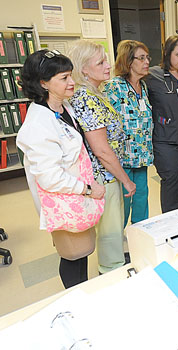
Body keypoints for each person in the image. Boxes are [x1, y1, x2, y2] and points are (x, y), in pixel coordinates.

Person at [16, 49, 105, 288]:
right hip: (65, 199)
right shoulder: (38, 124)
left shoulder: (64, 109)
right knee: (72, 254)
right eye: (64, 78)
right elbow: (49, 178)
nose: (72, 82)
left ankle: (82, 293)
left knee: (83, 252)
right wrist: (87, 189)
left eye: (70, 75)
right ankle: (74, 300)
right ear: (43, 83)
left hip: (77, 196)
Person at [68, 40, 136, 274]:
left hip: (108, 173)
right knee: (110, 230)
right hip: (103, 177)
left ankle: (113, 265)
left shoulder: (96, 92)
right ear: (84, 69)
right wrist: (126, 180)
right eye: (101, 62)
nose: (108, 65)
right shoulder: (85, 98)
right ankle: (111, 273)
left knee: (114, 227)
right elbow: (102, 150)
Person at [104, 40, 153, 226]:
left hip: (141, 156)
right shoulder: (113, 87)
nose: (147, 61)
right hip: (122, 159)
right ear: (128, 61)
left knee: (142, 199)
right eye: (141, 58)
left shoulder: (143, 87)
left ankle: (140, 234)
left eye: (147, 57)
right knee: (123, 203)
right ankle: (118, 241)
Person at [146, 35, 178, 213]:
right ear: (167, 54)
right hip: (165, 140)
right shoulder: (153, 76)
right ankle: (169, 219)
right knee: (172, 180)